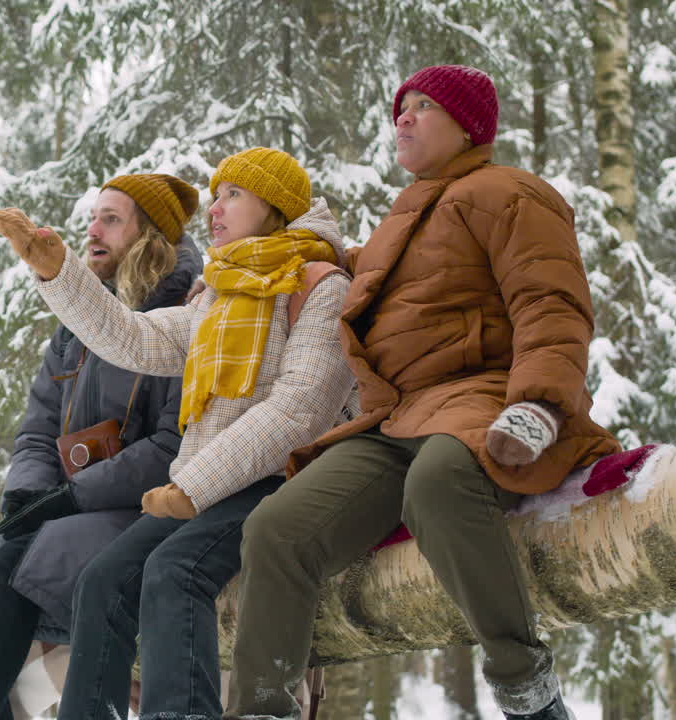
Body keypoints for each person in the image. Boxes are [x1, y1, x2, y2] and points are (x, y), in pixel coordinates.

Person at [223, 66, 621, 720]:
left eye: (423, 105)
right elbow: (385, 293)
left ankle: (530, 692)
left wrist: (539, 404)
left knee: (437, 482)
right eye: (399, 107)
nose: (402, 117)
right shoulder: (407, 211)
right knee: (277, 527)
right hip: (396, 417)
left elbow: (550, 303)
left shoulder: (510, 192)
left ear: (469, 126)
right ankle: (263, 708)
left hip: (484, 399)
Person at [0, 147, 360, 720]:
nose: (215, 208)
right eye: (215, 196)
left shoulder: (322, 287)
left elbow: (299, 412)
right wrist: (58, 273)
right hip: (203, 488)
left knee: (174, 572)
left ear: (275, 205)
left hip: (280, 484)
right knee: (102, 581)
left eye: (232, 195)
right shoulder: (219, 296)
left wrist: (195, 486)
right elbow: (132, 339)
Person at [0, 173, 203, 720]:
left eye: (111, 218)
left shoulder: (187, 312)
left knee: (22, 559)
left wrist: (68, 500)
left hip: (145, 510)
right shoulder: (74, 325)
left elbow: (172, 445)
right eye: (92, 216)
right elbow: (37, 429)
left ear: (150, 234)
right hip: (69, 508)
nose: (92, 229)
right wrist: (29, 494)